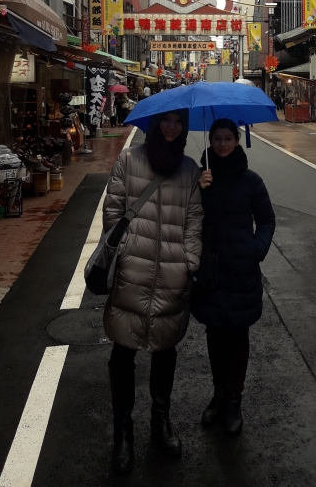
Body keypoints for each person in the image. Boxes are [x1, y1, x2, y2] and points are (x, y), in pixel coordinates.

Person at [103, 110, 203, 473]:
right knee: (122, 353)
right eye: (166, 120)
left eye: (178, 121)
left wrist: (189, 262)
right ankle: (123, 430)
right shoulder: (129, 160)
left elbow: (194, 221)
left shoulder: (190, 170)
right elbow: (113, 211)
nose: (172, 127)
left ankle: (161, 421)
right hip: (132, 272)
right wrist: (125, 253)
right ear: (155, 123)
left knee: (165, 351)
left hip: (172, 275)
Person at [192, 119, 276, 434]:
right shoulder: (202, 178)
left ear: (237, 141)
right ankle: (218, 394)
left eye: (228, 138)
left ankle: (233, 399)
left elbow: (266, 220)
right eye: (217, 138)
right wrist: (199, 191)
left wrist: (257, 249)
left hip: (242, 268)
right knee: (215, 333)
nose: (222, 144)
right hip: (210, 268)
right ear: (210, 141)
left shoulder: (251, 181)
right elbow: (189, 218)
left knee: (238, 334)